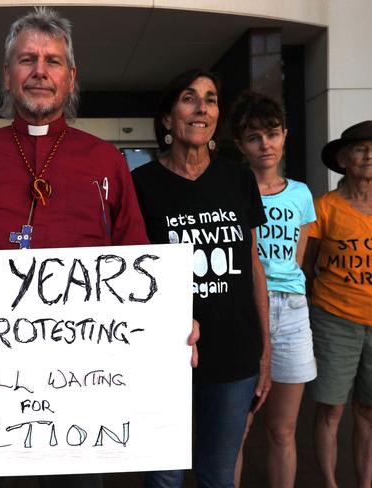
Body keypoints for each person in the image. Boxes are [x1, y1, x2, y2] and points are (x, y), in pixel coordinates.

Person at [0, 8, 198, 488]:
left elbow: (139, 265)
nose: (40, 71)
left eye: (53, 61)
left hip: (81, 401)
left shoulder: (105, 159)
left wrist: (171, 321)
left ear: (70, 77)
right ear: (8, 74)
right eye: (27, 59)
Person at [131, 69, 271, 488]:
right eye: (189, 98)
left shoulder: (237, 178)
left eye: (210, 99)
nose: (202, 108)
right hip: (164, 355)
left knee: (218, 474)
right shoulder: (140, 185)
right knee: (165, 476)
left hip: (235, 354)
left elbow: (253, 266)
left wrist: (265, 352)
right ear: (168, 119)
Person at [229, 91, 316, 488]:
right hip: (245, 309)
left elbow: (297, 259)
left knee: (283, 431)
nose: (265, 144)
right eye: (254, 137)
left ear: (285, 136)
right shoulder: (232, 190)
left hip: (293, 311)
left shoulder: (301, 194)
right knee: (237, 432)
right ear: (240, 145)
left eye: (272, 134)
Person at [302, 120, 372, 488]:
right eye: (361, 148)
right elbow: (307, 265)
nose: (369, 154)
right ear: (344, 159)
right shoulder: (324, 208)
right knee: (331, 408)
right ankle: (329, 483)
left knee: (368, 410)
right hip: (334, 318)